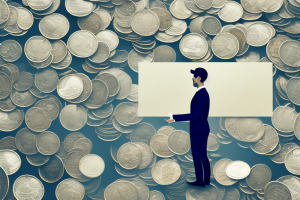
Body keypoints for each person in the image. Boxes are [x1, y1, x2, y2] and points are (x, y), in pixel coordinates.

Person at [165, 67, 210, 187]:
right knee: (203, 155)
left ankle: (200, 181)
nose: (193, 78)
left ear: (199, 78)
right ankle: (205, 181)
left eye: (194, 76)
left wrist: (174, 117)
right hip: (201, 128)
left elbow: (195, 115)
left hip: (198, 130)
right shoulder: (202, 93)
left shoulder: (201, 94)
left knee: (197, 155)